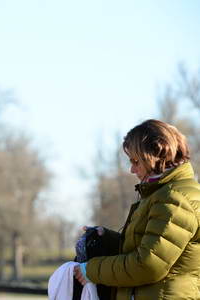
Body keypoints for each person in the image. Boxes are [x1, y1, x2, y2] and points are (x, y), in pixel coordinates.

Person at [74, 119, 200, 300]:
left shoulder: (175, 199)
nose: (132, 169)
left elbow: (148, 265)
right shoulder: (162, 194)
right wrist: (109, 239)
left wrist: (92, 270)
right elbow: (152, 248)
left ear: (157, 154)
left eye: (136, 161)